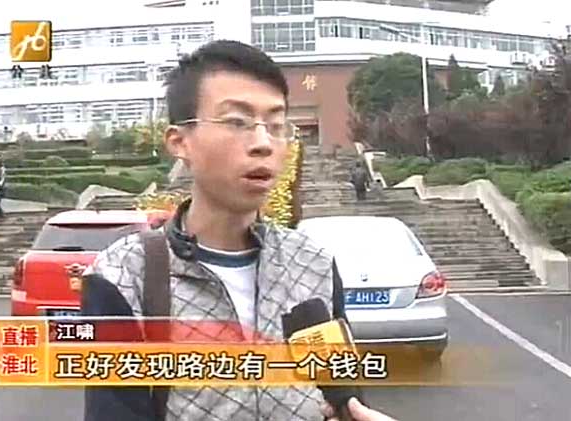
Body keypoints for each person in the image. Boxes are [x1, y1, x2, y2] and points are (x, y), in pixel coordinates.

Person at [81, 40, 397, 421]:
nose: (263, 143)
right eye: (236, 122)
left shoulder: (314, 264)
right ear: (180, 142)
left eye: (277, 126)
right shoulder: (123, 276)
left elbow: (347, 399)